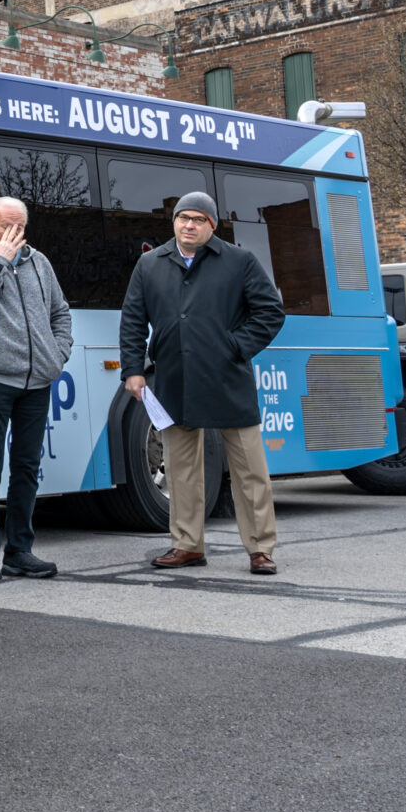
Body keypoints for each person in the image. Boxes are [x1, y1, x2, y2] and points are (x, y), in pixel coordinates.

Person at [119, 191, 286, 575]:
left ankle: (260, 549)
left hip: (228, 378)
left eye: (198, 219)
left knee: (250, 471)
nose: (189, 225)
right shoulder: (149, 264)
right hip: (174, 380)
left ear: (212, 225)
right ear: (174, 221)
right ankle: (187, 545)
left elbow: (269, 312)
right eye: (183, 218)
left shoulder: (239, 261)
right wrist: (133, 369)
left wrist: (235, 347)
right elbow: (132, 319)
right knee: (180, 470)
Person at [0, 196, 72, 585]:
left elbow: (60, 312)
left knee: (26, 468)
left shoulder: (40, 263)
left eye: (19, 227)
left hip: (37, 382)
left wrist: (57, 355)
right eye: (5, 226)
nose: (13, 234)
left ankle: (20, 551)